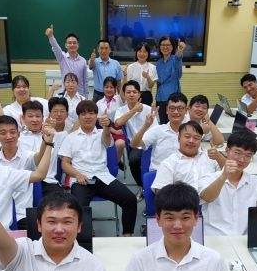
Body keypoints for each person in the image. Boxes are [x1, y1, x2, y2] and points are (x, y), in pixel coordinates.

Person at [59, 100, 138, 236]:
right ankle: (85, 237)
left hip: (102, 177)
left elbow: (107, 140)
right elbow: (65, 163)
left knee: (130, 200)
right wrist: (77, 175)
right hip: (81, 180)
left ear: (96, 116)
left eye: (91, 113)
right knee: (78, 208)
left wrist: (107, 126)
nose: (88, 117)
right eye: (83, 114)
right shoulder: (70, 138)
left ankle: (127, 235)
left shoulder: (102, 133)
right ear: (79, 117)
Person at [0, 114, 54, 231]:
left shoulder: (27, 156)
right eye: (3, 133)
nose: (9, 136)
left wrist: (46, 141)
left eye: (12, 132)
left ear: (19, 134)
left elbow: (39, 157)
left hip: (22, 215)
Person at [198, 131, 257, 235]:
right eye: (238, 153)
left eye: (248, 155)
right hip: (214, 238)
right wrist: (224, 176)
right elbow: (207, 197)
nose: (242, 159)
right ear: (227, 150)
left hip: (243, 240)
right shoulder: (209, 178)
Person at [151, 121, 221, 193]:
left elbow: (226, 174)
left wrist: (219, 157)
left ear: (200, 140)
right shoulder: (168, 163)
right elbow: (161, 194)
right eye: (187, 137)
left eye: (196, 138)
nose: (191, 141)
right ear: (179, 138)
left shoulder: (210, 157)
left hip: (213, 199)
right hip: (183, 200)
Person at [131, 92, 187, 172]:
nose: (175, 112)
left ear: (186, 110)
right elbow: (134, 144)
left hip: (182, 174)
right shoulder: (158, 130)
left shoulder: (190, 133)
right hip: (159, 174)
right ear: (167, 110)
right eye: (172, 108)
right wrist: (146, 125)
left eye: (180, 108)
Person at [115, 80, 154, 188]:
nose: (131, 94)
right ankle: (142, 186)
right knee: (133, 160)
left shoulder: (148, 109)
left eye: (134, 92)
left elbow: (155, 129)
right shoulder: (121, 110)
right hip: (134, 145)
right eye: (128, 92)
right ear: (124, 94)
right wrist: (134, 110)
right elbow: (118, 123)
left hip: (149, 144)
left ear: (139, 94)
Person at [46, 24, 89, 97]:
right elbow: (56, 47)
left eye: (74, 43)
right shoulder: (62, 57)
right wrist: (51, 36)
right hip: (66, 94)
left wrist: (86, 96)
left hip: (80, 95)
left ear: (78, 45)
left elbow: (85, 80)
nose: (72, 45)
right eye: (69, 43)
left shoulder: (83, 61)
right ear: (66, 45)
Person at [154, 37, 186, 124]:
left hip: (173, 99)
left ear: (172, 47)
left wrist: (180, 51)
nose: (165, 47)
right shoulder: (158, 63)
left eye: (168, 45)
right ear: (159, 47)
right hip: (160, 98)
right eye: (163, 45)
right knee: (163, 124)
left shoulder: (175, 59)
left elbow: (178, 58)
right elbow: (158, 82)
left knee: (174, 124)